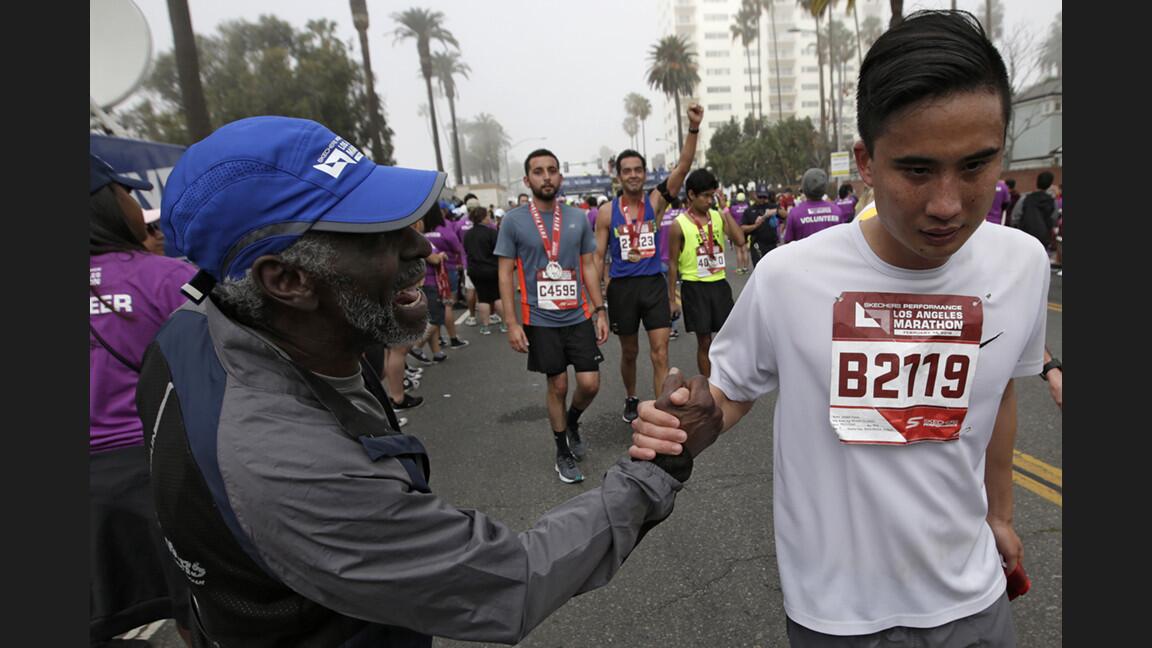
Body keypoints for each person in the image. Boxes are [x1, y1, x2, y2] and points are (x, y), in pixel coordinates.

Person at [136, 116, 711, 647]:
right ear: (287, 280)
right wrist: (654, 471)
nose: (419, 245)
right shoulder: (285, 463)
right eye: (375, 234)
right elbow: (508, 579)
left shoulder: (202, 328)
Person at [632, 11, 1048, 646]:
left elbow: (1000, 395)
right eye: (916, 170)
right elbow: (728, 394)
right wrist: (689, 420)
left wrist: (1002, 513)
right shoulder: (788, 277)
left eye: (975, 166)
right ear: (865, 162)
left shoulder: (1020, 263)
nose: (947, 202)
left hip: (973, 600)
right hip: (838, 615)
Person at [89, 154, 195, 647]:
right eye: (126, 193)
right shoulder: (170, 277)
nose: (136, 203)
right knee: (199, 606)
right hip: (162, 471)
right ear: (107, 206)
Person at [496, 148, 609, 483]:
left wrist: (600, 309)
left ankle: (572, 420)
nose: (546, 177)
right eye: (538, 171)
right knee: (557, 384)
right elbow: (505, 274)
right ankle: (562, 450)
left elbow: (588, 265)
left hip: (577, 315)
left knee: (589, 384)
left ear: (560, 176)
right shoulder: (514, 221)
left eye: (552, 170)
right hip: (540, 319)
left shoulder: (576, 218)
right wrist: (512, 323)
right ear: (527, 179)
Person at [594, 104, 703, 423]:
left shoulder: (655, 202)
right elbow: (597, 257)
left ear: (644, 173)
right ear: (618, 175)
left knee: (660, 352)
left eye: (637, 170)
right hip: (623, 289)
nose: (632, 175)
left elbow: (683, 166)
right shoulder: (605, 212)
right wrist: (599, 299)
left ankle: (660, 408)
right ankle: (631, 397)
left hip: (652, 285)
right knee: (630, 352)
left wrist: (693, 128)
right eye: (626, 170)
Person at [665, 168, 746, 377]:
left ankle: (727, 378)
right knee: (704, 340)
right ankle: (709, 385)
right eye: (706, 195)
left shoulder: (718, 217)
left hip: (719, 284)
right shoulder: (678, 225)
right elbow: (672, 263)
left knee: (728, 336)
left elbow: (739, 240)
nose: (710, 200)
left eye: (713, 195)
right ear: (691, 195)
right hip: (694, 286)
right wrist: (672, 299)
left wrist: (726, 210)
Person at [462, 206, 504, 334]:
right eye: (487, 216)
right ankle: (505, 324)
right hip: (492, 269)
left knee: (483, 298)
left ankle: (485, 326)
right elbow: (499, 250)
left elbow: (466, 250)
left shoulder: (468, 234)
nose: (489, 219)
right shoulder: (492, 233)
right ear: (483, 218)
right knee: (497, 296)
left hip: (475, 270)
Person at [780, 168, 844, 243]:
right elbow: (842, 241)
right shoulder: (836, 211)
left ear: (804, 188)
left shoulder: (795, 214)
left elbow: (788, 243)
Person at [1015, 171, 1058, 254]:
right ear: (1050, 185)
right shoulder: (1053, 201)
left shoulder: (1025, 198)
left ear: (1037, 182)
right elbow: (1054, 219)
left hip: (1024, 235)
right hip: (1043, 239)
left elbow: (1015, 217)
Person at [741, 188, 780, 267]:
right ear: (755, 195)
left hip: (772, 245)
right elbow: (742, 228)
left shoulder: (772, 206)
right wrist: (755, 225)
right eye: (760, 197)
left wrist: (776, 211)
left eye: (764, 197)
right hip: (757, 245)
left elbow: (786, 215)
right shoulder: (749, 210)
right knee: (760, 269)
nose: (762, 199)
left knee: (773, 270)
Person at [726, 190, 752, 273]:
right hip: (745, 229)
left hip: (736, 230)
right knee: (744, 249)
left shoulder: (733, 208)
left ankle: (739, 268)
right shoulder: (748, 207)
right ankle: (746, 268)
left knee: (738, 250)